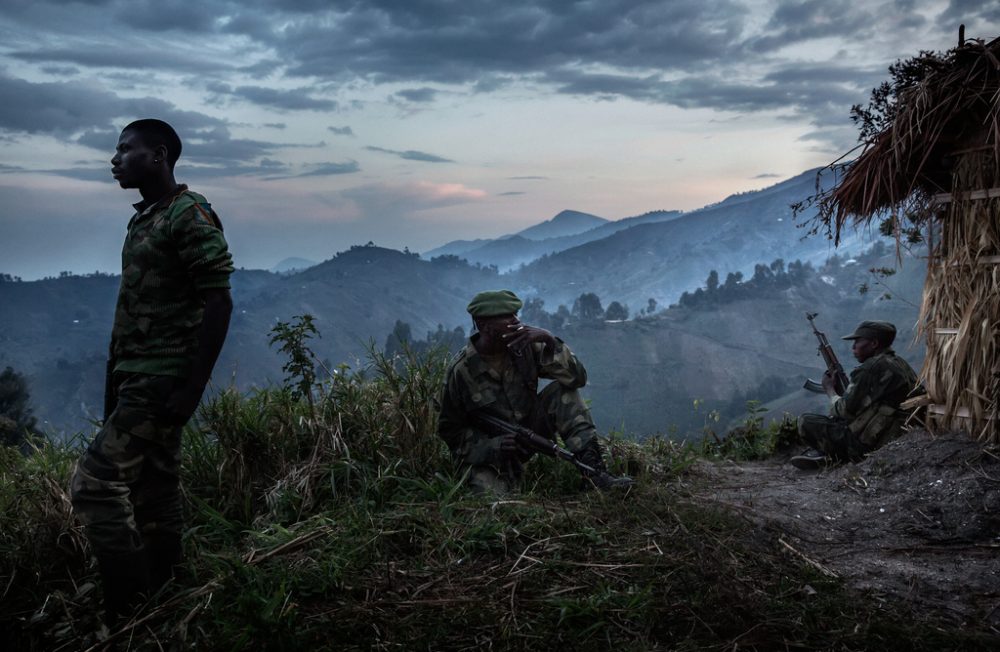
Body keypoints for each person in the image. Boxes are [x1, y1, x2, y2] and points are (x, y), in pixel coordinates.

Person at [70, 119, 234, 624]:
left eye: (126, 149)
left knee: (94, 485)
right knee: (154, 487)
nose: (114, 159)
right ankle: (165, 594)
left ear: (159, 155)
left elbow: (219, 300)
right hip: (134, 374)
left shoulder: (188, 213)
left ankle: (127, 603)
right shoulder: (147, 218)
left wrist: (192, 387)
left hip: (161, 377)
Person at [437, 289, 609, 493]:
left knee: (565, 393)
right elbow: (450, 430)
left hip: (530, 433)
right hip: (491, 453)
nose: (516, 321)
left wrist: (549, 340)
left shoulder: (524, 348)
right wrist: (494, 447)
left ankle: (594, 475)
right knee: (495, 504)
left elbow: (577, 378)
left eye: (515, 315)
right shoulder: (461, 371)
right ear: (483, 324)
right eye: (506, 317)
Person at [791, 320, 918, 469]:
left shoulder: (870, 368)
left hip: (867, 445)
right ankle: (828, 455)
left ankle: (835, 455)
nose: (853, 347)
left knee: (805, 421)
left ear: (874, 343)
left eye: (858, 341)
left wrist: (829, 389)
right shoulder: (900, 363)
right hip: (893, 437)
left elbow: (844, 410)